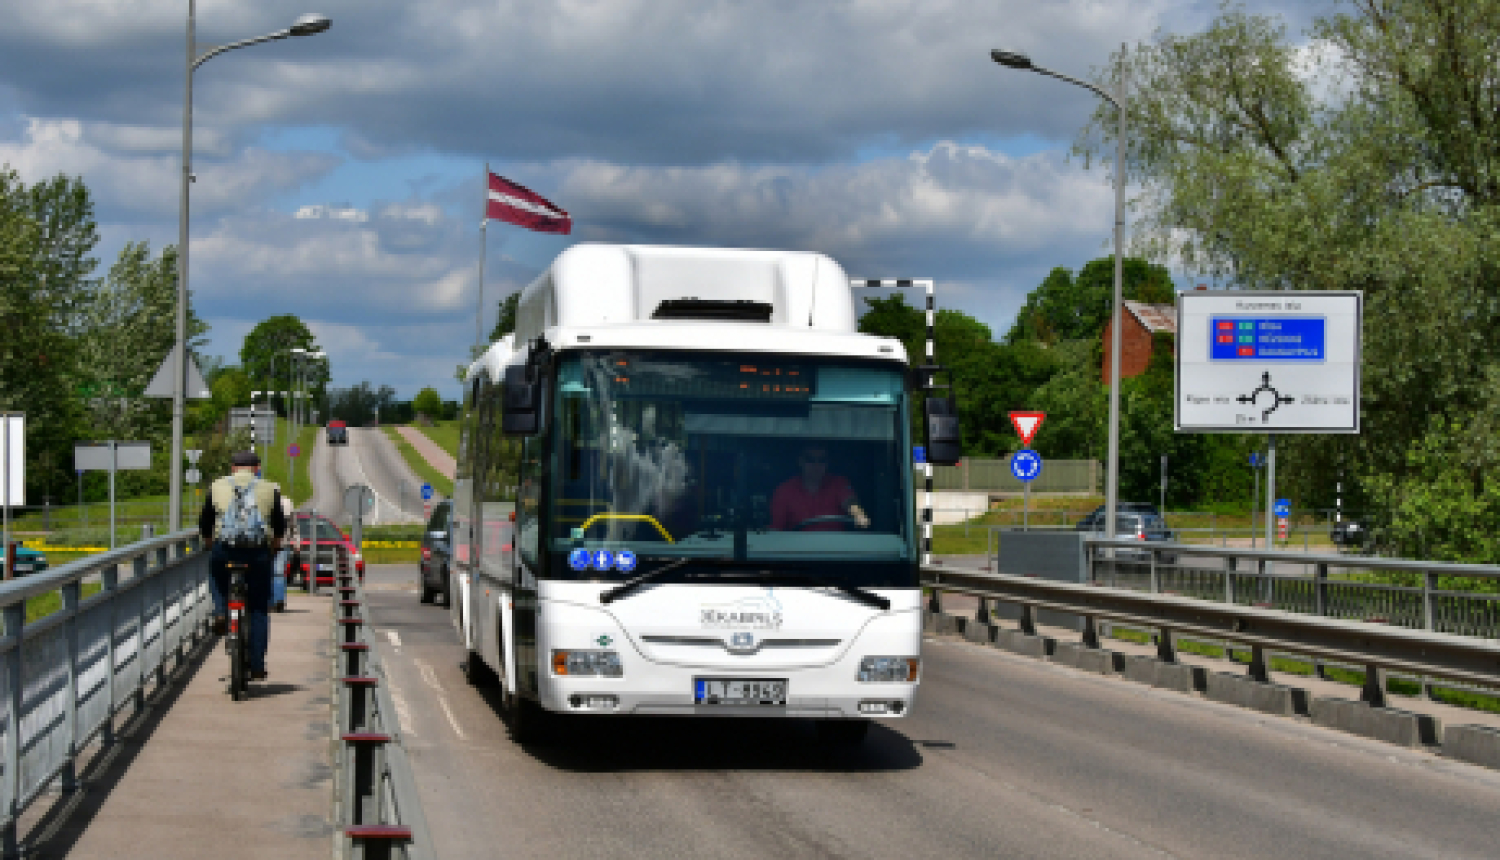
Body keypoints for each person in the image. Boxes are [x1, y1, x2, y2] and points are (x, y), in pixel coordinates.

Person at [198, 450, 286, 682]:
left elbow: (206, 520)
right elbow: (279, 524)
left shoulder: (217, 486)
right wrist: (275, 545)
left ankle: (220, 612)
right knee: (258, 607)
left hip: (225, 550)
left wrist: (209, 542)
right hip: (257, 553)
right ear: (257, 468)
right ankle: (257, 665)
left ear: (233, 468)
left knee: (217, 575)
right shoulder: (270, 488)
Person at [769, 444, 870, 531]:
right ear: (800, 462)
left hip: (836, 545)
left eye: (822, 460)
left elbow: (850, 502)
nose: (816, 465)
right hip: (798, 546)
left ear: (827, 463)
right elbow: (776, 530)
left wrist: (858, 514)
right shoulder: (784, 490)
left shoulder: (839, 483)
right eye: (810, 460)